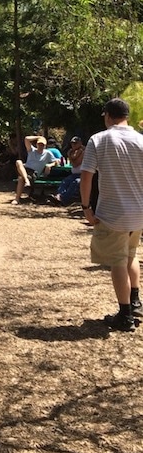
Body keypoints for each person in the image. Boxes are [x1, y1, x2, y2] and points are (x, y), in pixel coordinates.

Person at [79, 98, 143, 332]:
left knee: (117, 261)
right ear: (127, 115)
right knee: (131, 254)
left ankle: (125, 314)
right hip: (138, 212)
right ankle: (135, 301)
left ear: (107, 115)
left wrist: (86, 207)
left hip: (114, 212)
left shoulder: (99, 139)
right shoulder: (141, 139)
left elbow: (86, 176)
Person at [12, 135, 58, 204]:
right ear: (36, 144)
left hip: (33, 173)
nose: (40, 146)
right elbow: (26, 139)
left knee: (21, 178)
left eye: (42, 145)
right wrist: (38, 137)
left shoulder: (47, 153)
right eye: (39, 144)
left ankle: (17, 199)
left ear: (45, 146)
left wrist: (50, 165)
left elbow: (57, 161)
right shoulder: (32, 150)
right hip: (26, 169)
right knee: (18, 162)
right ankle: (27, 180)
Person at [49, 136, 86, 207]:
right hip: (73, 174)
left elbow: (75, 164)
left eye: (76, 143)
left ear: (80, 143)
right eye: (72, 143)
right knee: (65, 181)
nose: (73, 145)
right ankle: (58, 196)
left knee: (75, 182)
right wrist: (71, 156)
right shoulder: (73, 152)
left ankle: (63, 199)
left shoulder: (83, 151)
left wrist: (69, 156)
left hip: (82, 175)